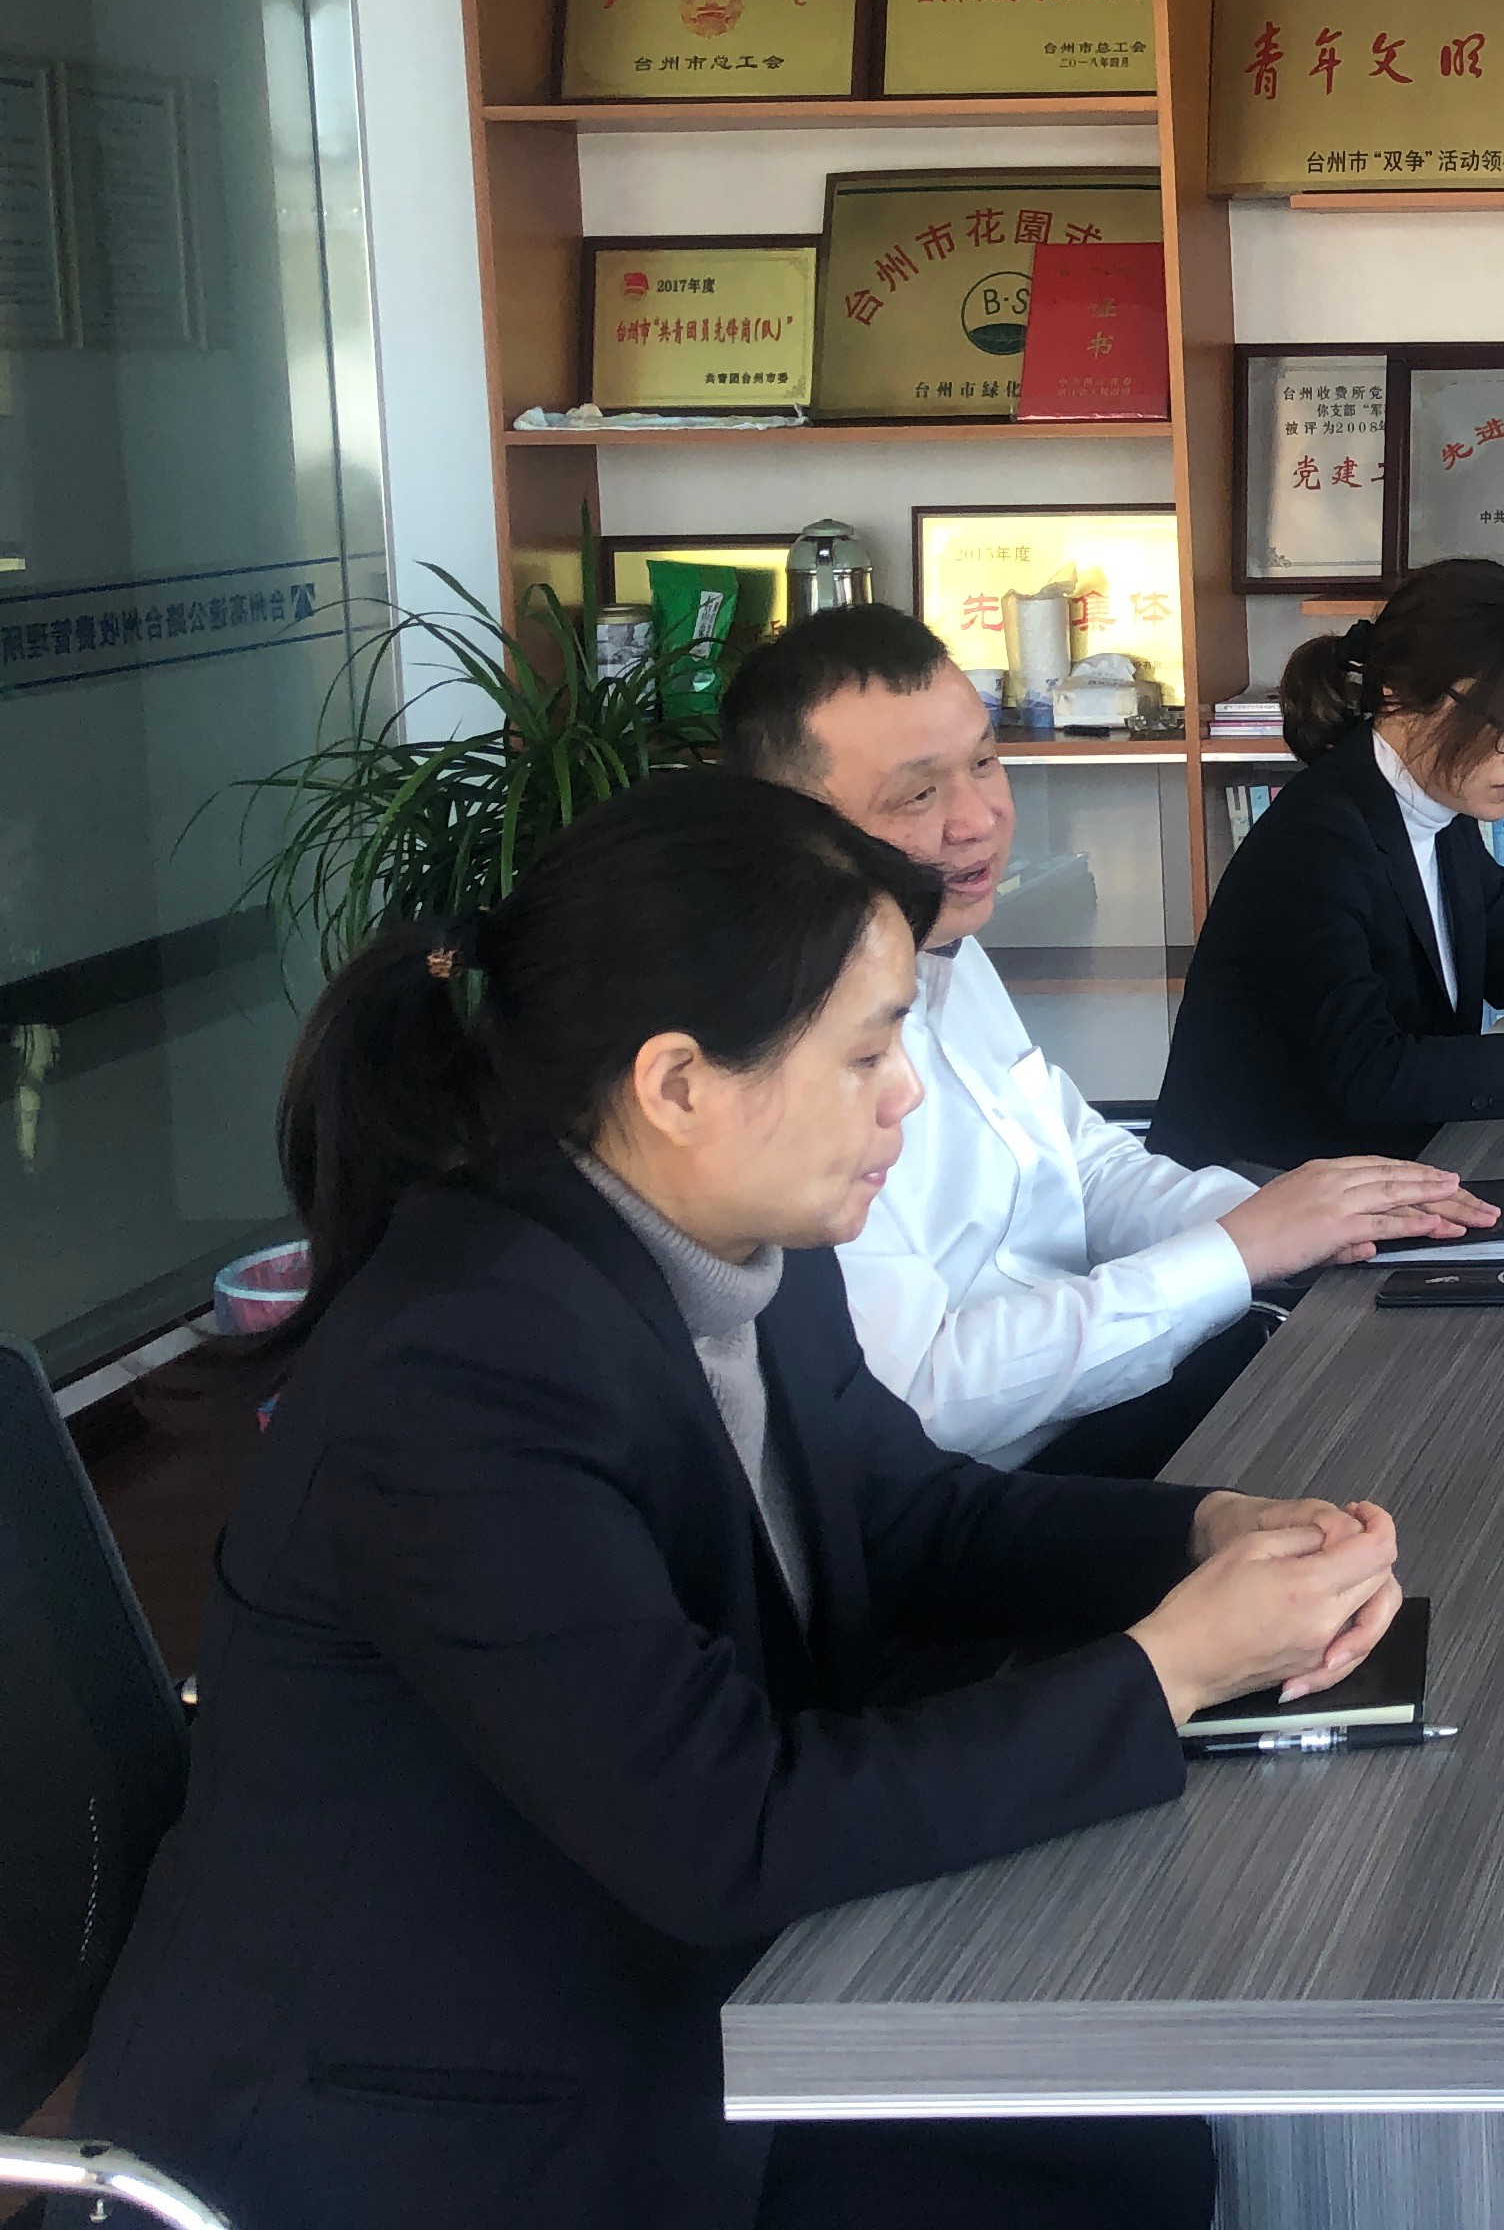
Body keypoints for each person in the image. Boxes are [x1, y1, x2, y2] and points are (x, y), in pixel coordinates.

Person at [80, 772, 1409, 2230]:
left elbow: (908, 1518)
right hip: (444, 2125)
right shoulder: (463, 1369)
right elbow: (723, 1830)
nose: (907, 1095)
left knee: (1126, 2144)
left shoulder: (738, 1249)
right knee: (1099, 2166)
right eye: (868, 1052)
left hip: (660, 1980)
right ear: (676, 1085)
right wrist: (1171, 1669)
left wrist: (1202, 1533)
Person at [719, 606, 1490, 1476]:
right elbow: (924, 1398)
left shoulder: (948, 952)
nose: (979, 819)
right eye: (918, 794)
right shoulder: (777, 1061)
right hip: (996, 1485)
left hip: (1125, 1388)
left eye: (985, 763)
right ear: (791, 825)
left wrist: (1274, 1219)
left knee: (1444, 1383)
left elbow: (1083, 1165)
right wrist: (1231, 1254)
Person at [1153, 560, 1504, 1169]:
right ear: (1398, 695)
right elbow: (1369, 1072)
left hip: (1380, 1172)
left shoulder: (1435, 809)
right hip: (1253, 1193)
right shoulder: (1315, 844)